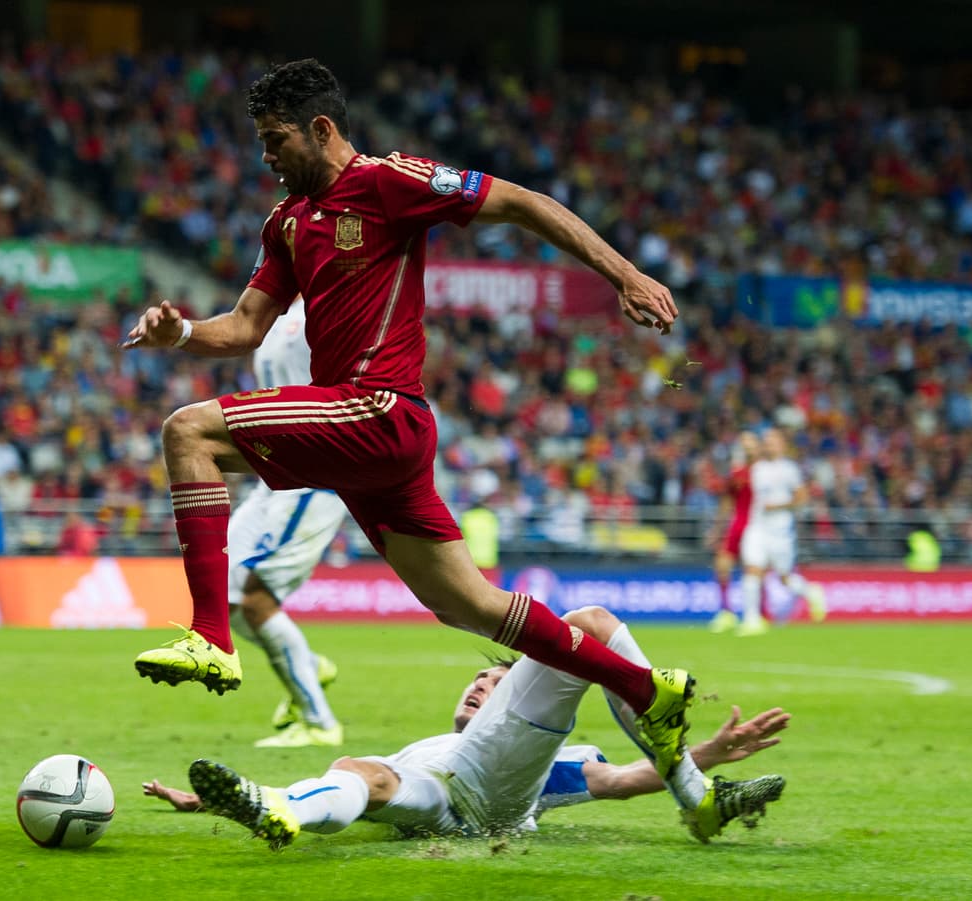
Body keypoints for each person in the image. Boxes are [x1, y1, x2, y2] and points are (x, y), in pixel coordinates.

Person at [123, 58, 706, 834]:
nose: (265, 156)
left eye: (275, 140)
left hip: (379, 409)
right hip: (367, 436)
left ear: (321, 129)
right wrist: (183, 333)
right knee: (464, 603)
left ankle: (211, 635)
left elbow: (523, 204)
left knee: (186, 429)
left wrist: (624, 273)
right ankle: (644, 687)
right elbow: (246, 328)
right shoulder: (286, 221)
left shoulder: (391, 182)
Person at [143, 605, 788, 847]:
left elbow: (617, 780)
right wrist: (208, 802)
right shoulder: (425, 746)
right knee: (356, 772)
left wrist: (709, 752)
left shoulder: (527, 751)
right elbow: (360, 786)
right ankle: (271, 809)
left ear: (522, 695)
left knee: (588, 628)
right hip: (441, 800)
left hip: (495, 791)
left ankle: (696, 793)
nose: (481, 683)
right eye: (476, 680)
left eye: (496, 681)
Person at [228, 301, 348, 748]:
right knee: (224, 597)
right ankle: (309, 664)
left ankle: (320, 724)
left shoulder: (329, 303)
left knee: (256, 600)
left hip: (312, 479)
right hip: (274, 477)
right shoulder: (269, 314)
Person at [737, 428, 827, 636]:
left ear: (782, 444)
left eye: (772, 441)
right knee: (752, 569)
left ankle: (811, 591)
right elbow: (746, 455)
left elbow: (802, 498)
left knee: (784, 578)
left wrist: (777, 506)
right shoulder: (757, 466)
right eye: (765, 441)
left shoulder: (789, 469)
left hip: (780, 531)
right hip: (757, 527)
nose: (768, 444)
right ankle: (751, 620)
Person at [708, 432, 760, 633]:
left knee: (754, 570)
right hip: (737, 524)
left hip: (757, 526)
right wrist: (717, 528)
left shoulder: (763, 471)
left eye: (750, 442)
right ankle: (726, 612)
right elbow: (727, 502)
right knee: (722, 565)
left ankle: (760, 613)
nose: (747, 446)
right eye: (743, 442)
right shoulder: (736, 474)